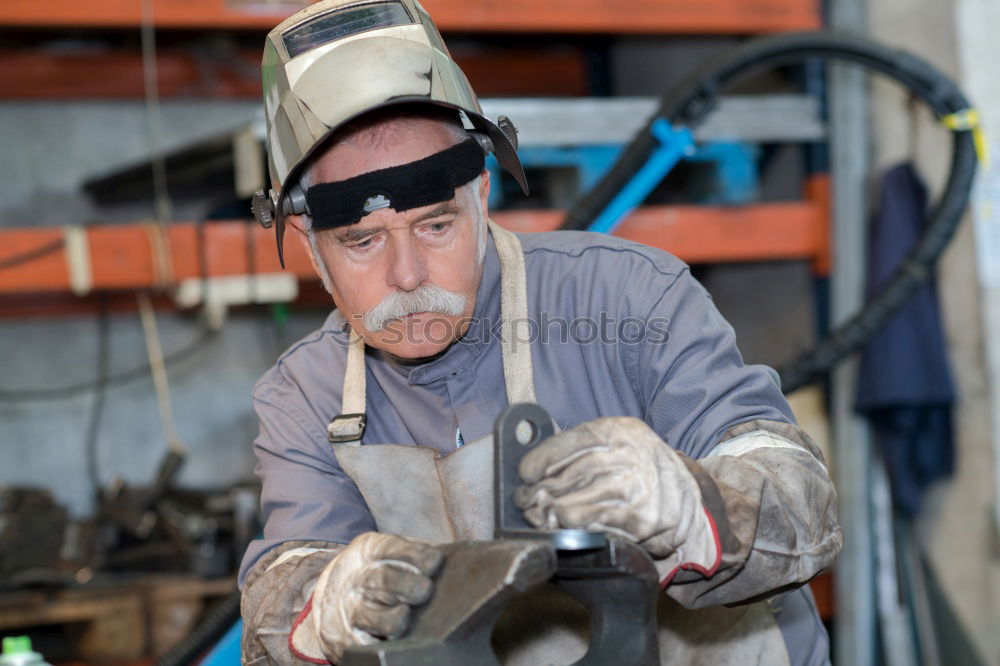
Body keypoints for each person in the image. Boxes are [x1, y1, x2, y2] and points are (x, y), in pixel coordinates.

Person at [241, 1, 844, 664]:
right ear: (308, 243)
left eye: (437, 225)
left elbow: (801, 499)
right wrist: (324, 604)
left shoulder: (627, 296)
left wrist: (692, 504)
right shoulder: (305, 395)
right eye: (361, 240)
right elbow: (281, 596)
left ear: (482, 192)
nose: (407, 275)